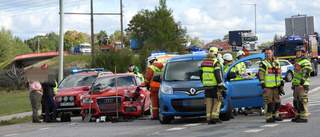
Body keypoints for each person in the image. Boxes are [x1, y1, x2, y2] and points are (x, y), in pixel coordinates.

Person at [258, 47, 284, 123]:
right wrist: (263, 86)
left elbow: (280, 74)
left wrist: (281, 84)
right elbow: (261, 75)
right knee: (269, 102)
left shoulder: (277, 62)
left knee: (277, 102)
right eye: (266, 53)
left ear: (272, 53)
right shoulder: (263, 63)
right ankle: (268, 117)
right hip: (268, 87)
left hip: (276, 86)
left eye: (269, 53)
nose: (268, 55)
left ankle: (275, 115)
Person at [200, 52, 224, 124]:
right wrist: (220, 86)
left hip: (206, 86)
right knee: (218, 101)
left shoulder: (203, 62)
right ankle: (214, 117)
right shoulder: (215, 62)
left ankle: (209, 118)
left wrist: (204, 83)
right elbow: (217, 74)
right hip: (215, 86)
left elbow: (200, 74)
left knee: (209, 102)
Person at [291, 46, 312, 123]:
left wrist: (301, 83)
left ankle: (304, 117)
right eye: (297, 52)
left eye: (299, 52)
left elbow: (305, 73)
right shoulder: (297, 62)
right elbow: (296, 75)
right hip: (296, 85)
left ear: (302, 53)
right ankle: (298, 115)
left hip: (302, 85)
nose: (297, 53)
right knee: (296, 101)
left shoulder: (305, 62)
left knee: (303, 101)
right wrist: (293, 84)